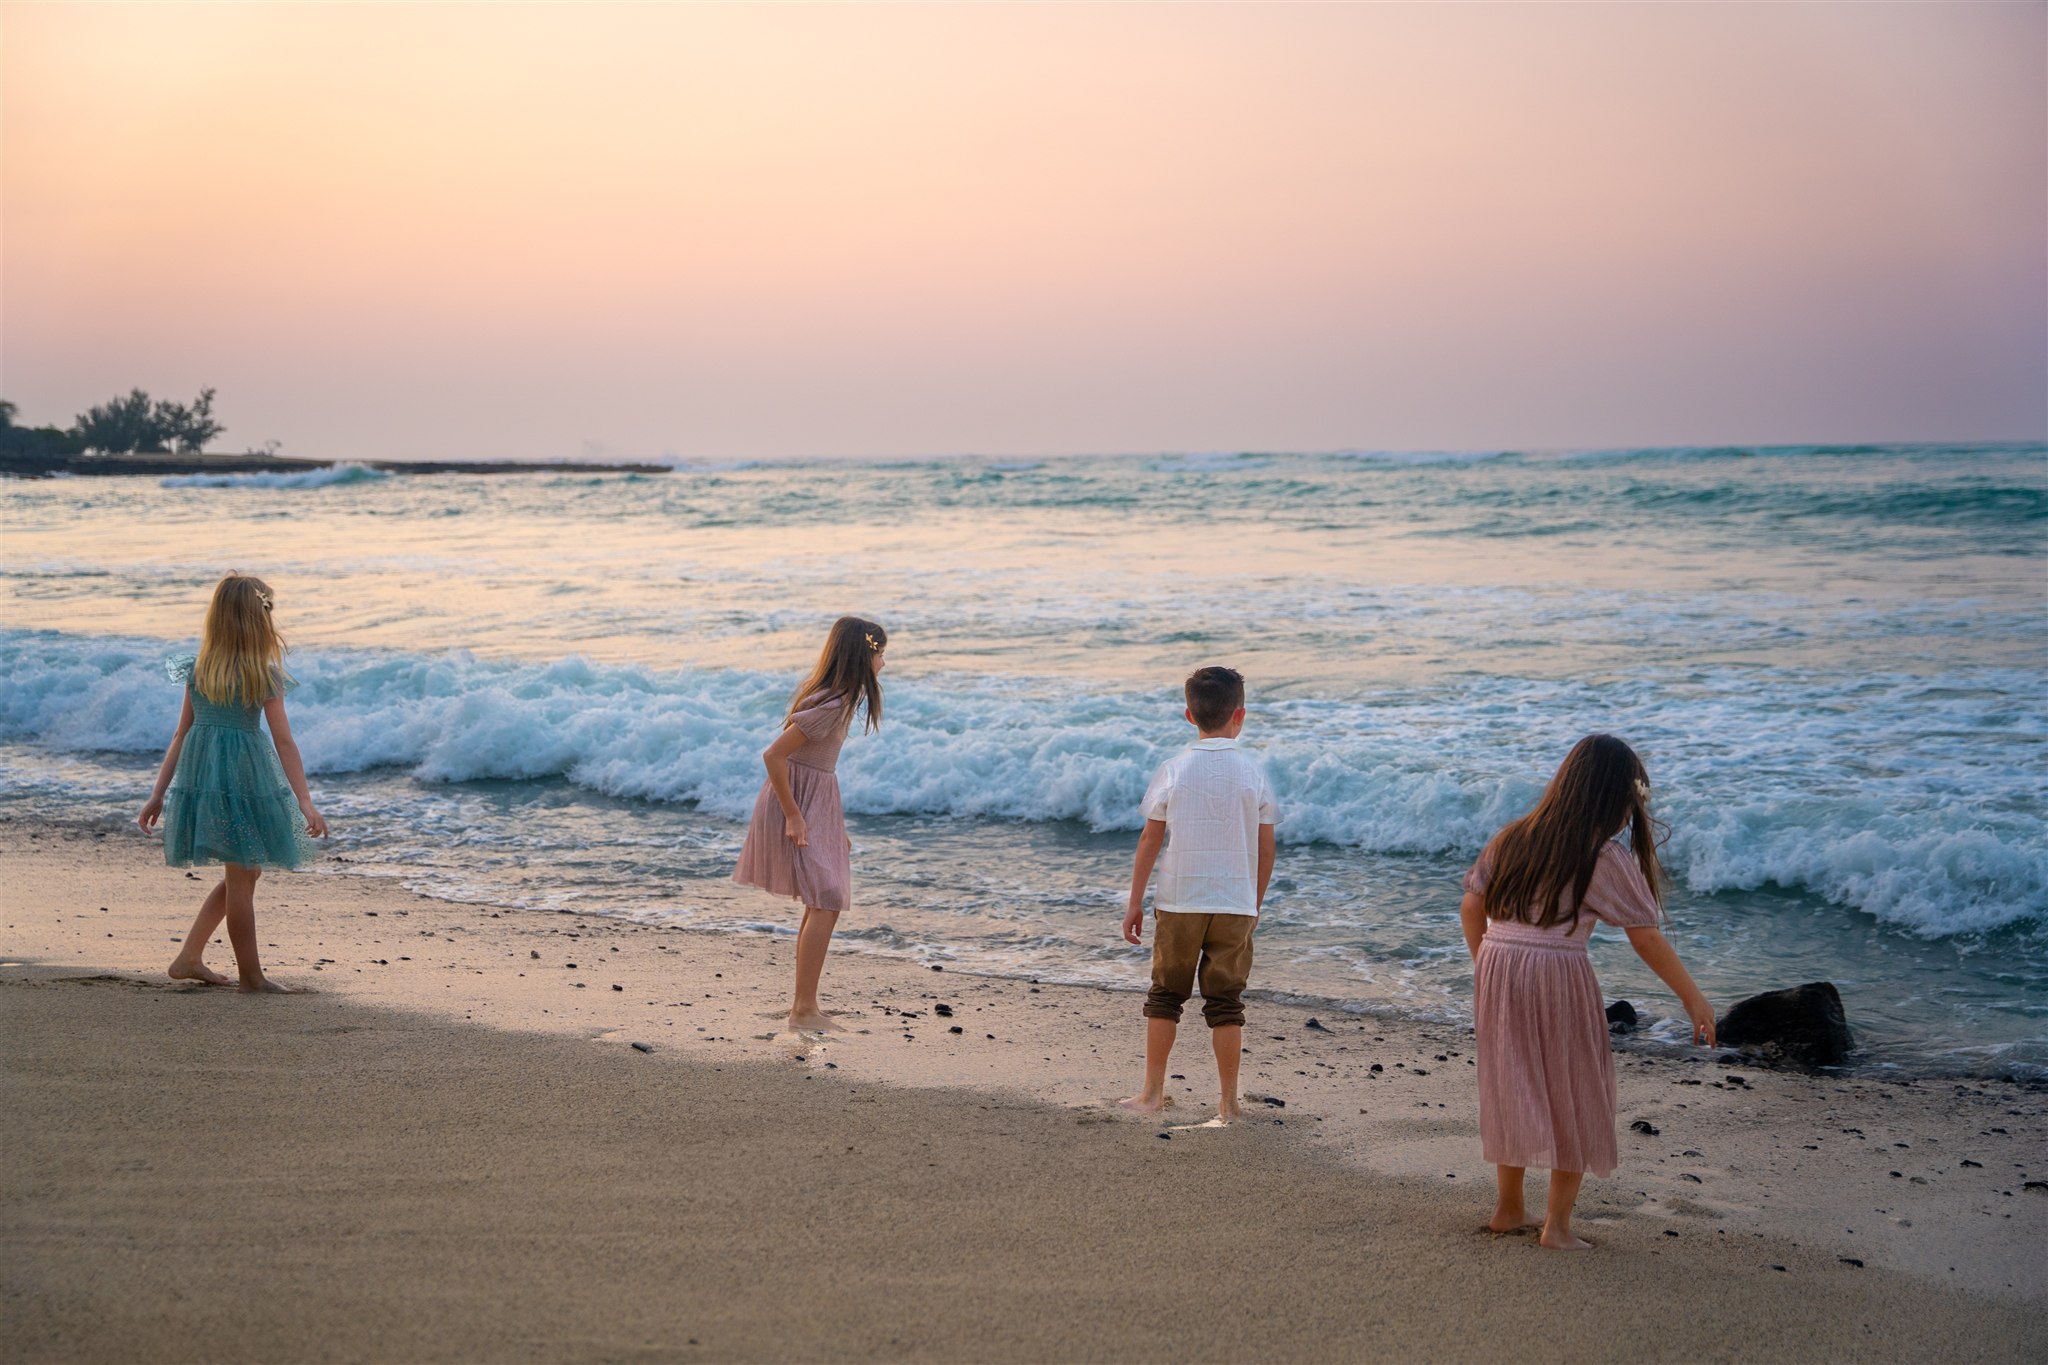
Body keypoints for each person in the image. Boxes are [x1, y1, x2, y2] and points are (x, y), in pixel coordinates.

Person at [1459, 734, 1715, 1250]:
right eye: (1630, 800)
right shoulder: (1601, 856)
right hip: (1557, 971)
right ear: (1610, 800)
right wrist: (1694, 999)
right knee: (1576, 1089)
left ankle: (1509, 1209)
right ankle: (1557, 1227)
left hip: (1499, 964)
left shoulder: (1511, 837)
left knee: (1514, 1083)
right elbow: (1643, 936)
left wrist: (1485, 961)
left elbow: (1472, 906)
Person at [138, 573, 327, 992]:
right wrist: (305, 802)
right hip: (243, 780)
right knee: (242, 878)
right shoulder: (263, 675)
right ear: (257, 621)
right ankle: (252, 977)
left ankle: (189, 955)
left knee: (247, 872)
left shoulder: (200, 670)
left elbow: (180, 735)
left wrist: (158, 793)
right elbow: (283, 741)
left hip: (204, 779)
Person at [1118, 665, 1278, 1122]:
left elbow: (1150, 840)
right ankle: (1228, 1102)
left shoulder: (1174, 769)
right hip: (1234, 903)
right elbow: (1267, 849)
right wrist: (1254, 903)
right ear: (1240, 714)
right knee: (1226, 1003)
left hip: (1179, 900)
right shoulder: (1255, 773)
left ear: (1190, 716)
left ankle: (1151, 1093)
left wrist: (1134, 901)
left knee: (1165, 996)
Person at [733, 615, 887, 1033]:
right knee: (828, 898)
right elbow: (774, 756)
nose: (883, 665)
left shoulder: (838, 699)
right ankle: (803, 1010)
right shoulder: (833, 704)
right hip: (795, 803)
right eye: (880, 654)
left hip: (815, 803)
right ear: (862, 656)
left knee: (824, 899)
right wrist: (795, 816)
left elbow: (811, 766)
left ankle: (805, 1005)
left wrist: (833, 825)